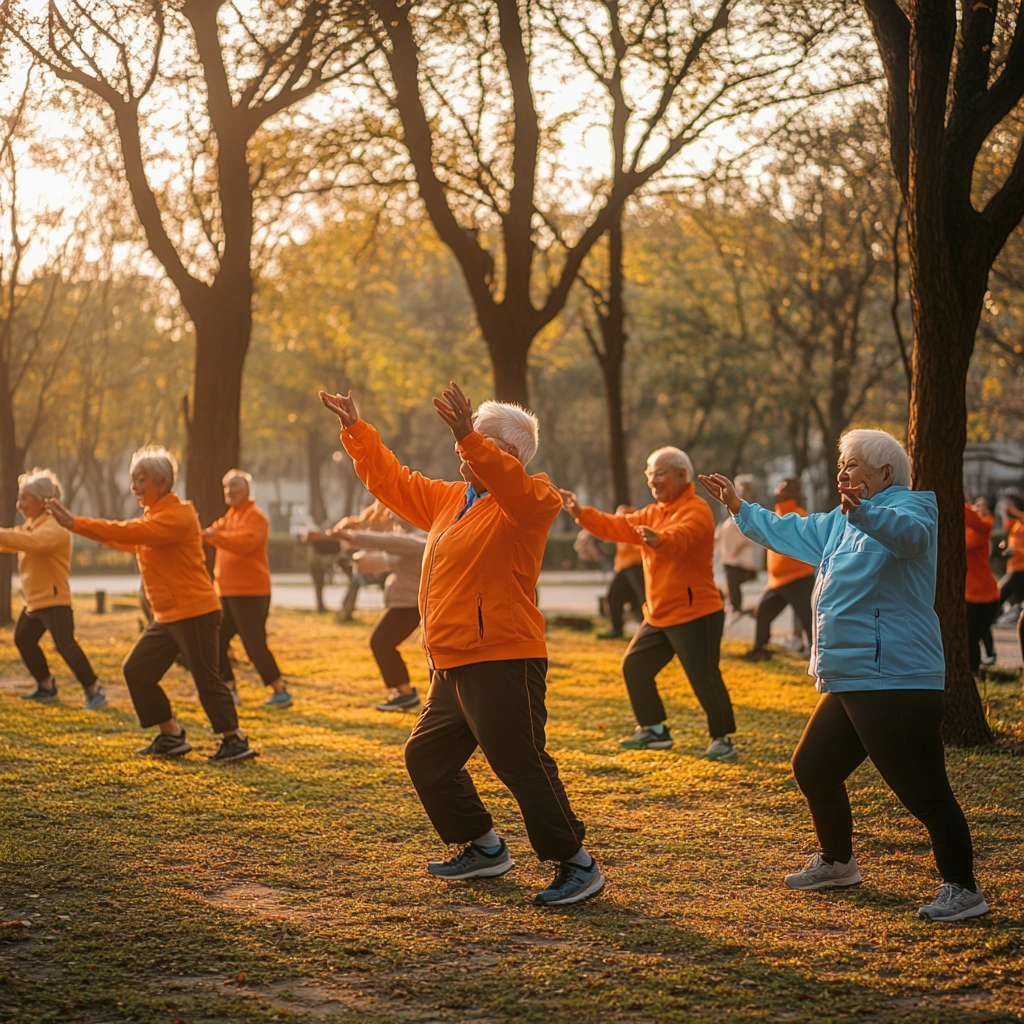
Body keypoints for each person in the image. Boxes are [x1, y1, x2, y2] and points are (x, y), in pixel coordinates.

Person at [320, 381, 603, 907]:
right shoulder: (453, 499)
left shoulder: (531, 498)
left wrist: (468, 435)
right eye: (463, 438)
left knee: (521, 764)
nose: (460, 447)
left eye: (476, 440)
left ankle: (577, 864)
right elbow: (392, 480)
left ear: (511, 455)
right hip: (450, 662)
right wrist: (355, 430)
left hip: (504, 656)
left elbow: (510, 483)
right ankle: (485, 847)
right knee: (426, 758)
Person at [700, 428, 989, 922]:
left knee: (925, 792)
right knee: (813, 767)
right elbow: (789, 532)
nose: (842, 473)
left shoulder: (913, 508)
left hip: (896, 677)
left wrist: (867, 512)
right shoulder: (839, 522)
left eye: (851, 464)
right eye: (841, 465)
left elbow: (911, 538)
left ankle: (964, 889)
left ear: (885, 472)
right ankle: (838, 862)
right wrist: (739, 506)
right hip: (853, 677)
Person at [46, 446, 256, 763]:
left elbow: (131, 532)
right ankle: (171, 735)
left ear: (162, 481)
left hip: (195, 611)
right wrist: (81, 528)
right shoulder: (154, 517)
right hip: (167, 615)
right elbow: (128, 538)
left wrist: (78, 524)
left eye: (140, 479)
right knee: (137, 671)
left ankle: (235, 740)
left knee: (206, 678)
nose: (134, 487)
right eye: (133, 480)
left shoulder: (180, 515)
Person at [561, 448, 737, 760]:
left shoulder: (697, 509)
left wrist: (659, 539)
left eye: (659, 473)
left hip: (696, 612)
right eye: (649, 474)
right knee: (635, 666)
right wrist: (580, 513)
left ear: (682, 476)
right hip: (658, 614)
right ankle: (654, 730)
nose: (652, 480)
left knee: (703, 676)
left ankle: (723, 739)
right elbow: (616, 526)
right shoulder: (651, 512)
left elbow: (682, 536)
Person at [0, 469, 105, 709]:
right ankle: (46, 686)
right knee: (24, 640)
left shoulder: (54, 527)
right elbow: (14, 539)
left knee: (65, 646)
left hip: (54, 600)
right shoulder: (32, 525)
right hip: (36, 600)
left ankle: (94, 691)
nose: (19, 505)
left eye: (23, 499)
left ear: (41, 501)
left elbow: (31, 543)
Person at [204, 470, 291, 709]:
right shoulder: (228, 517)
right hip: (226, 591)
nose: (230, 491)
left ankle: (280, 691)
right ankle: (229, 688)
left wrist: (215, 536)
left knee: (253, 643)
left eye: (236, 486)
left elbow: (244, 544)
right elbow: (210, 535)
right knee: (217, 640)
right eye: (227, 487)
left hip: (252, 592)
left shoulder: (256, 518)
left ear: (248, 490)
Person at [331, 511, 426, 712]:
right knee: (383, 643)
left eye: (396, 512)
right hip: (403, 602)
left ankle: (406, 693)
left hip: (412, 603)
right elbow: (390, 557)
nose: (391, 516)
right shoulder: (404, 536)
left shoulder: (423, 534)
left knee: (381, 641)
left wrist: (356, 537)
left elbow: (396, 544)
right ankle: (403, 693)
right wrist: (367, 563)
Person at [745, 478, 815, 661]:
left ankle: (818, 655)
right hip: (777, 582)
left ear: (794, 494)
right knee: (764, 611)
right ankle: (760, 650)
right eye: (778, 489)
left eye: (783, 490)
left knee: (809, 620)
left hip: (799, 578)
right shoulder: (775, 516)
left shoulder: (800, 516)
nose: (778, 492)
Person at [598, 506, 645, 640]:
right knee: (613, 596)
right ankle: (617, 629)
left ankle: (646, 631)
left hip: (636, 565)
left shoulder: (632, 522)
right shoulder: (619, 527)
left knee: (642, 599)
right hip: (623, 567)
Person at [964, 498, 1000, 674]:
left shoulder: (984, 527)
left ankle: (974, 673)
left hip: (985, 596)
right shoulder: (970, 529)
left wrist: (960, 504)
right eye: (975, 506)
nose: (977, 509)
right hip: (972, 595)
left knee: (971, 637)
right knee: (974, 634)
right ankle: (976, 669)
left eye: (981, 507)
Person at [716, 474, 758, 620]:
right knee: (731, 585)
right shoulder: (731, 513)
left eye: (741, 487)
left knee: (733, 585)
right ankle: (735, 607)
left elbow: (745, 539)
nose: (739, 490)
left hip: (736, 560)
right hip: (728, 558)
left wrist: (733, 553)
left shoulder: (744, 511)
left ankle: (736, 609)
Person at [997, 493, 1024, 623]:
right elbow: (1005, 526)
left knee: (998, 596)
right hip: (1013, 567)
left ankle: (988, 621)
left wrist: (1012, 509)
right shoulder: (1017, 524)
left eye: (1011, 504)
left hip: (1020, 568)